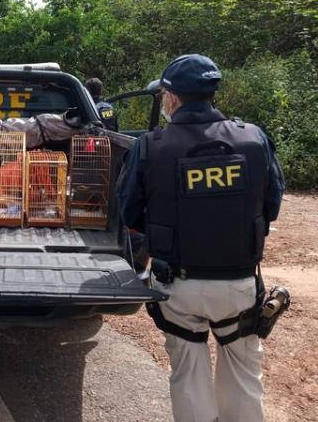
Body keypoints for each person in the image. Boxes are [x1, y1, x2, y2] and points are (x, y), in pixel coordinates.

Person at [118, 54, 285, 422]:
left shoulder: (150, 146)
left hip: (178, 288)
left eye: (163, 95)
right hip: (240, 285)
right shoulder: (254, 138)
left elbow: (128, 212)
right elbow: (272, 204)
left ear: (173, 98)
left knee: (189, 374)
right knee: (243, 374)